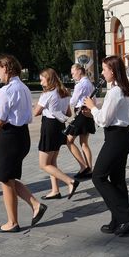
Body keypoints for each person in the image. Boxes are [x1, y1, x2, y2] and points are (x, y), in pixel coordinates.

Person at [0, 54, 47, 233]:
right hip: (22, 136)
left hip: (10, 137)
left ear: (7, 68)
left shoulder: (7, 90)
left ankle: (12, 222)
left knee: (4, 179)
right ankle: (35, 205)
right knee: (9, 177)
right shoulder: (24, 87)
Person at [83, 56, 129, 236]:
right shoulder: (122, 89)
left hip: (116, 137)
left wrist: (92, 107)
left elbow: (105, 120)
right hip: (121, 135)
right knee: (117, 180)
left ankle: (126, 214)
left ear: (113, 71)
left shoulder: (115, 91)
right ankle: (119, 221)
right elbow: (109, 116)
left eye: (105, 69)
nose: (103, 73)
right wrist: (94, 112)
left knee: (98, 177)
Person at [34, 68, 80, 200]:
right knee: (52, 161)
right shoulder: (63, 92)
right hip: (60, 125)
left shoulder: (47, 94)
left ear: (48, 79)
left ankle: (69, 181)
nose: (40, 81)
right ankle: (55, 190)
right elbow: (69, 114)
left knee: (43, 164)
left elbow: (36, 112)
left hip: (49, 126)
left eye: (42, 78)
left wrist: (41, 105)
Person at [66, 64, 95, 179]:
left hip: (81, 114)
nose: (72, 76)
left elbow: (73, 102)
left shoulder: (80, 85)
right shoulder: (89, 83)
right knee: (84, 143)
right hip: (88, 113)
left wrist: (68, 95)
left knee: (69, 141)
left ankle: (83, 167)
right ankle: (89, 169)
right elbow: (94, 99)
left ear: (79, 71)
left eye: (73, 73)